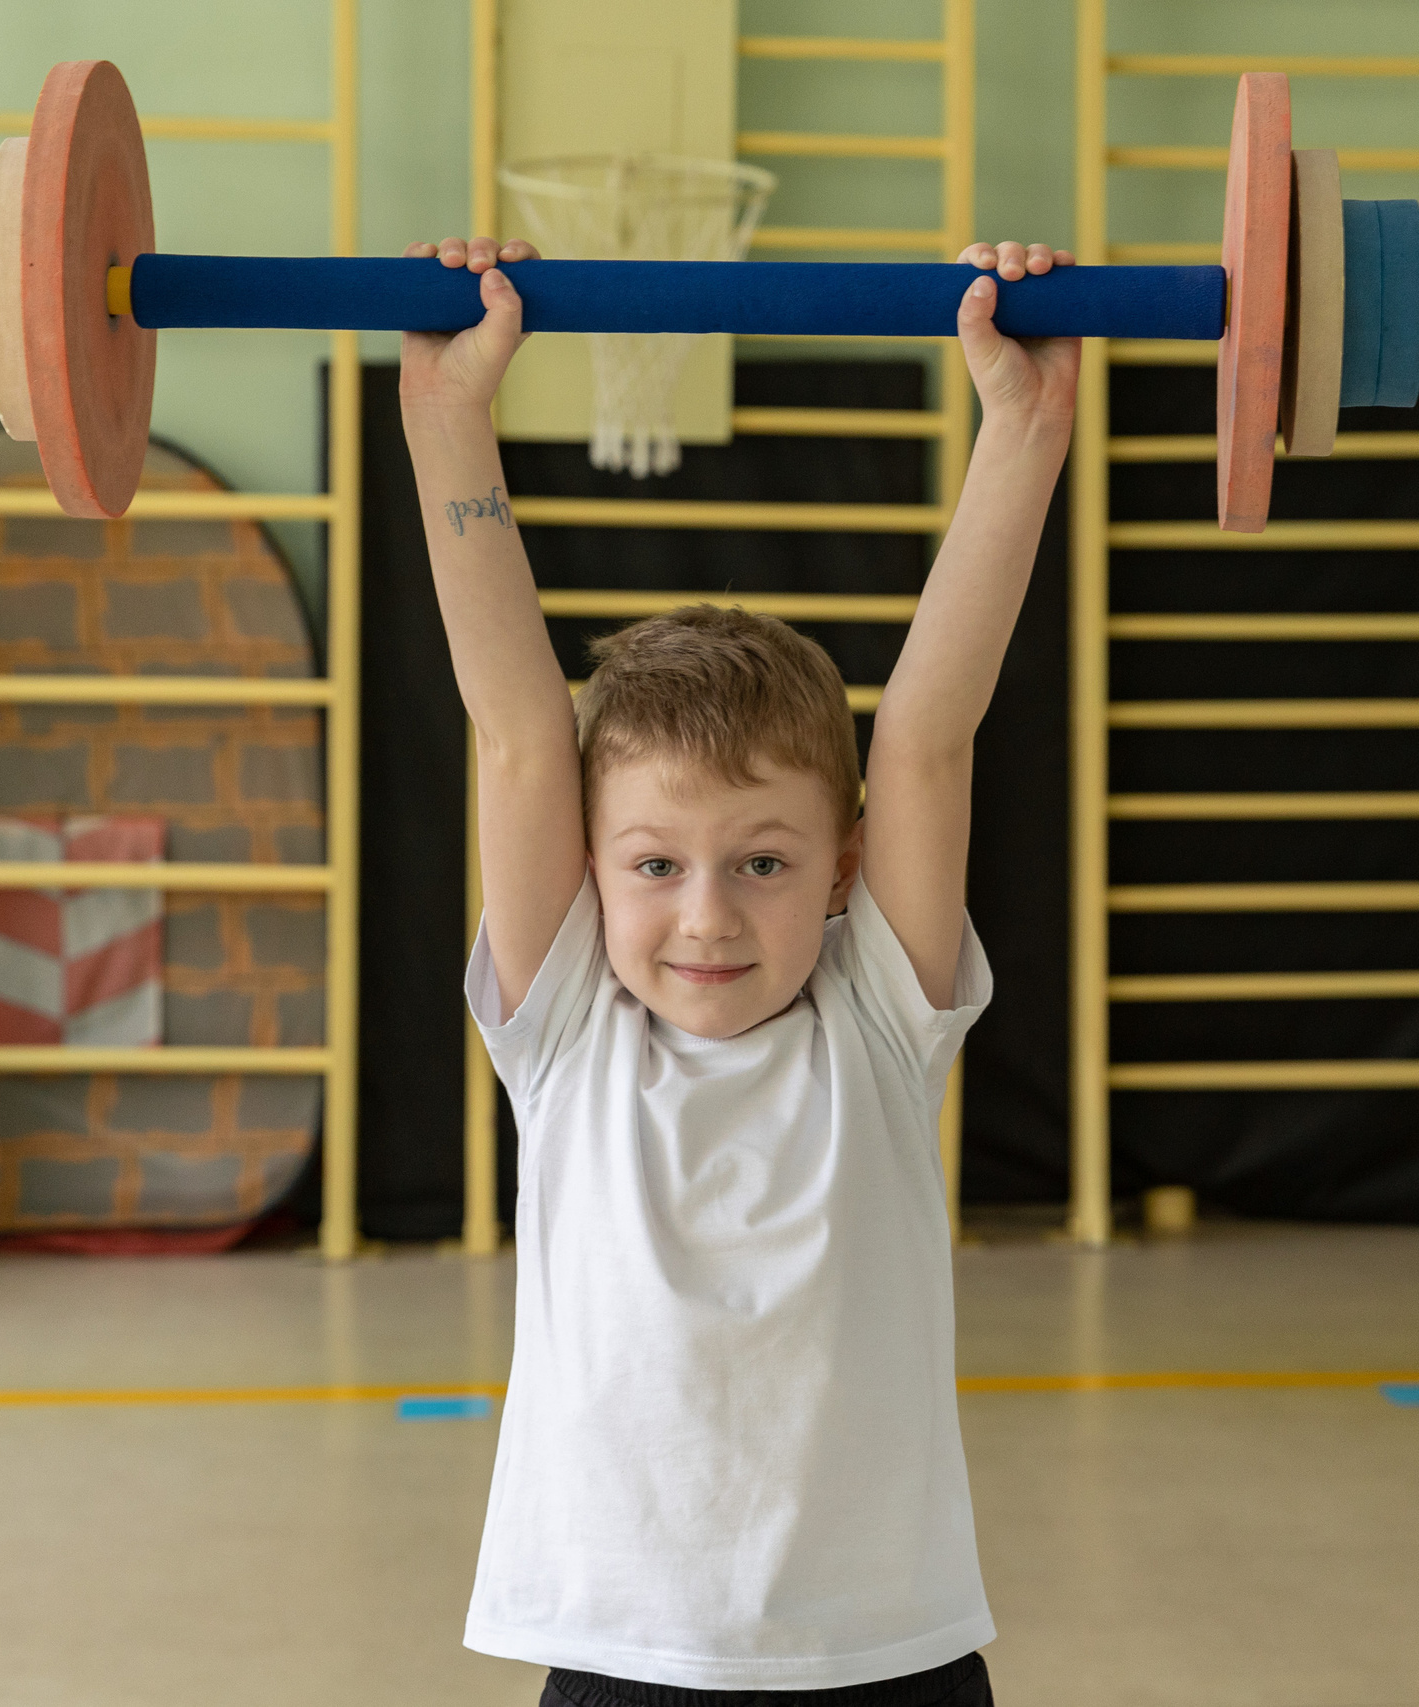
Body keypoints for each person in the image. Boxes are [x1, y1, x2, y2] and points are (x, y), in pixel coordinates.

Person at [401, 231, 1079, 1707]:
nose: (704, 915)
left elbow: (927, 734)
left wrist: (1021, 431)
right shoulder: (570, 1028)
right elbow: (520, 727)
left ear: (842, 867)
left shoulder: (876, 1027)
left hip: (885, 1659)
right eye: (653, 866)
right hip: (627, 1660)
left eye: (763, 862)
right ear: (588, 873)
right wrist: (451, 421)